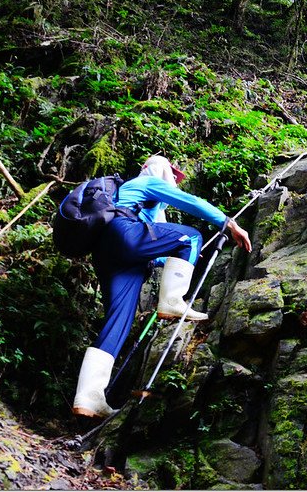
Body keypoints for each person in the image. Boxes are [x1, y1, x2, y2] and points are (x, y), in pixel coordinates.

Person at [72, 155, 252, 418]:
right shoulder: (147, 181)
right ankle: (172, 302)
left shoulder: (131, 199)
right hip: (124, 234)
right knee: (192, 236)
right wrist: (230, 224)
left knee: (117, 323)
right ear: (155, 168)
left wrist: (172, 256)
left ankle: (88, 398)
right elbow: (192, 203)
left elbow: (145, 246)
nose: (174, 179)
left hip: (110, 254)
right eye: (172, 172)